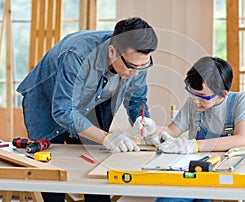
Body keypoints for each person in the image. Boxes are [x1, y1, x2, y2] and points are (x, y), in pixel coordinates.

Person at [16, 17, 158, 202]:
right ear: (113, 51)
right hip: (47, 103)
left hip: (91, 105)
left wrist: (142, 119)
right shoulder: (77, 55)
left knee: (96, 174)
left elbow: (136, 99)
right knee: (52, 179)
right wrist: (106, 137)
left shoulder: (137, 59)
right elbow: (63, 110)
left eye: (143, 66)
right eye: (132, 66)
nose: (137, 72)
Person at [143, 56, 245, 202]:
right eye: (192, 94)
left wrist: (193, 145)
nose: (196, 102)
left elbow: (242, 138)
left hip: (228, 173)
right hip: (194, 171)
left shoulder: (240, 100)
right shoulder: (194, 103)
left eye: (202, 96)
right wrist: (156, 131)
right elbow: (172, 131)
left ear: (223, 93)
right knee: (166, 199)